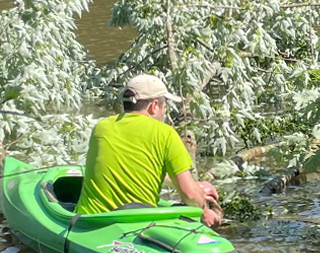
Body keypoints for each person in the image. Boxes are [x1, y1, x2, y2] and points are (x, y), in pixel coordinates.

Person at [76, 74, 222, 227]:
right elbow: (190, 195)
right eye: (164, 107)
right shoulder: (165, 134)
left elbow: (136, 168)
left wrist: (195, 184)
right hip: (135, 223)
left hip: (91, 222)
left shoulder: (102, 128)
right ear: (153, 106)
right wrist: (205, 212)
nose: (164, 113)